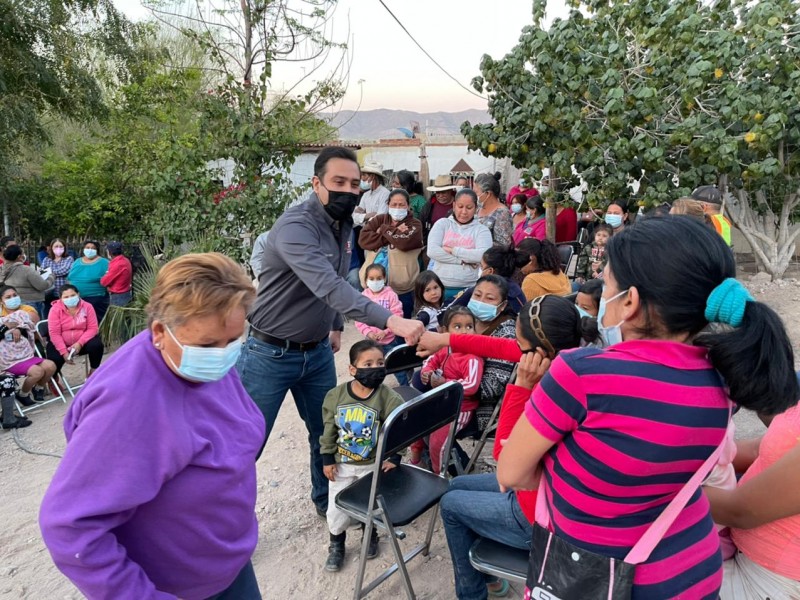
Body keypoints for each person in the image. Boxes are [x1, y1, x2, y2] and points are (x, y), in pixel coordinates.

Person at [497, 216, 799, 598]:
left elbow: (510, 472)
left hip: (602, 576)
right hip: (693, 571)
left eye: (606, 284)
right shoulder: (722, 383)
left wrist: (560, 466)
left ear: (630, 302)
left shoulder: (580, 374)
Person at [40, 253, 265, 600]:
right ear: (160, 331)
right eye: (208, 345)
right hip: (180, 589)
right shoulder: (128, 403)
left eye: (233, 340)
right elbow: (69, 526)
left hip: (227, 568)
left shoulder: (198, 360)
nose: (223, 355)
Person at [236, 146, 425, 518]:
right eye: (338, 182)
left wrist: (335, 324)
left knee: (326, 434)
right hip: (268, 352)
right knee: (245, 445)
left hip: (317, 351)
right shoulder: (295, 226)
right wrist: (393, 321)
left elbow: (337, 276)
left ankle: (329, 504)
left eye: (355, 184)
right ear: (316, 183)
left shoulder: (342, 226)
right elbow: (328, 285)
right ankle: (226, 527)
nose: (348, 190)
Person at [418, 294, 599, 599]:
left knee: (450, 505)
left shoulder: (553, 387)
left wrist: (521, 387)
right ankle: (487, 575)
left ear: (538, 352)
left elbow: (506, 466)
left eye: (519, 344)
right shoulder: (568, 358)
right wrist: (445, 340)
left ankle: (472, 593)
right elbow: (498, 347)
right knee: (456, 485)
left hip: (541, 515)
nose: (514, 350)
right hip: (543, 487)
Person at [320, 340, 404, 572]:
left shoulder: (389, 397)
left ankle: (371, 533)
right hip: (342, 466)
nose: (375, 368)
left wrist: (395, 457)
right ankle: (336, 545)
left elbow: (401, 429)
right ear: (352, 369)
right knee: (336, 508)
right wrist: (327, 457)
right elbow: (328, 429)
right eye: (368, 363)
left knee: (369, 505)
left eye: (379, 363)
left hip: (372, 465)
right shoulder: (335, 396)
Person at [707, 395, 800, 599]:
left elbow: (741, 512)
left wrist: (663, 484)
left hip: (770, 582)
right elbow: (761, 448)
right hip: (737, 551)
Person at [410, 306, 483, 470]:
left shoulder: (472, 357)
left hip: (459, 409)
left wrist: (445, 383)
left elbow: (471, 386)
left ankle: (438, 473)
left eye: (469, 327)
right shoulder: (445, 348)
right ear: (445, 331)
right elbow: (429, 362)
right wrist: (427, 373)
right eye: (457, 327)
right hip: (439, 401)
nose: (464, 332)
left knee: (438, 442)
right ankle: (416, 458)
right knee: (417, 421)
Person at [358, 188, 424, 317]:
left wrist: (383, 229)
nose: (397, 208)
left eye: (401, 204)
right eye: (394, 204)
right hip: (373, 285)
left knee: (401, 328)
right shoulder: (379, 219)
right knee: (373, 326)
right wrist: (393, 231)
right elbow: (363, 240)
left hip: (402, 289)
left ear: (408, 206)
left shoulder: (415, 224)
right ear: (388, 205)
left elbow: (404, 242)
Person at [427, 189, 492, 302]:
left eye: (469, 207)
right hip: (439, 287)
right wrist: (462, 261)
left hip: (468, 288)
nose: (464, 212)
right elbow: (432, 251)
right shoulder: (442, 224)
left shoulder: (482, 230)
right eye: (460, 206)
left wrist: (453, 250)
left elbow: (483, 255)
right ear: (454, 205)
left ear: (476, 208)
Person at [354, 263, 408, 385]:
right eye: (371, 278)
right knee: (372, 368)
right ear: (366, 280)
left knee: (396, 366)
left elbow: (397, 314)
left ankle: (405, 386)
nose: (375, 281)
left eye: (379, 278)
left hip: (389, 340)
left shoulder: (391, 295)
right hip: (371, 341)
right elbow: (359, 319)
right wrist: (369, 332)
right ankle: (374, 389)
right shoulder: (363, 297)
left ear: (384, 279)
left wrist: (386, 331)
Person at [0, 300, 56, 405]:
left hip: (25, 354)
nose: (12, 299)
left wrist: (18, 329)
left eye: (14, 296)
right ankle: (23, 394)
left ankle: (38, 388)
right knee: (37, 371)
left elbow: (28, 332)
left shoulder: (19, 315)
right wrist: (5, 327)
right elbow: (5, 336)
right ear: (2, 301)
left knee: (50, 366)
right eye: (8, 297)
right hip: (9, 360)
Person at [446, 245, 529, 314]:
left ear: (490, 271)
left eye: (481, 267)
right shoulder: (516, 292)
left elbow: (446, 313)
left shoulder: (477, 290)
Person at [45, 285, 104, 377]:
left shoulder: (87, 307)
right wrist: (64, 352)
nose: (70, 298)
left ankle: (94, 372)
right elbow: (54, 333)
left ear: (78, 294)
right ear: (60, 298)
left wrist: (80, 343)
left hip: (82, 342)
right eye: (66, 297)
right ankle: (54, 378)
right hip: (61, 343)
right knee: (54, 360)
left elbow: (93, 328)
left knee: (97, 345)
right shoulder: (55, 310)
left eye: (73, 295)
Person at [0, 245, 54, 318]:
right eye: (23, 253)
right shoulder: (26, 270)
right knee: (32, 325)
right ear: (19, 256)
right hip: (31, 302)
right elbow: (42, 285)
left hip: (9, 304)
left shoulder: (2, 269)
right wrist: (51, 277)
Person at [68, 241, 110, 324]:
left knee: (95, 321)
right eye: (87, 247)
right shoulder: (77, 261)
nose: (90, 250)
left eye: (93, 248)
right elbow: (70, 277)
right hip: (77, 298)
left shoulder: (104, 262)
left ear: (97, 250)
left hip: (96, 298)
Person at [474, 173, 514, 247]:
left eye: (476, 193)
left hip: (490, 256)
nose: (474, 196)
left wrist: (476, 243)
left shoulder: (502, 213)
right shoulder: (478, 208)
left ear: (488, 194)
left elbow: (504, 244)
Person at [41, 238, 74, 318]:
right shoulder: (46, 259)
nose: (58, 248)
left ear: (65, 248)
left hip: (63, 293)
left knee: (64, 315)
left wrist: (49, 272)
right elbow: (42, 273)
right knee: (48, 315)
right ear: (51, 248)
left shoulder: (69, 259)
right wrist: (49, 273)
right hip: (49, 292)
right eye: (56, 246)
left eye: (60, 246)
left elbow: (64, 270)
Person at [420, 174, 457, 241]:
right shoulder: (429, 205)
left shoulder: (459, 204)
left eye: (443, 192)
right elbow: (422, 224)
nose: (440, 195)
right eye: (438, 193)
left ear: (450, 190)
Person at [352, 160, 389, 227]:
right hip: (365, 230)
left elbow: (380, 217)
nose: (362, 179)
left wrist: (362, 217)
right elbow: (354, 215)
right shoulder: (366, 195)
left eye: (364, 175)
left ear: (372, 176)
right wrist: (367, 215)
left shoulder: (385, 194)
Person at [100, 241, 133, 307]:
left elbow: (104, 282)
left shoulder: (118, 264)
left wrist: (104, 276)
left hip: (119, 296)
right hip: (124, 294)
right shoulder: (125, 260)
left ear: (109, 252)